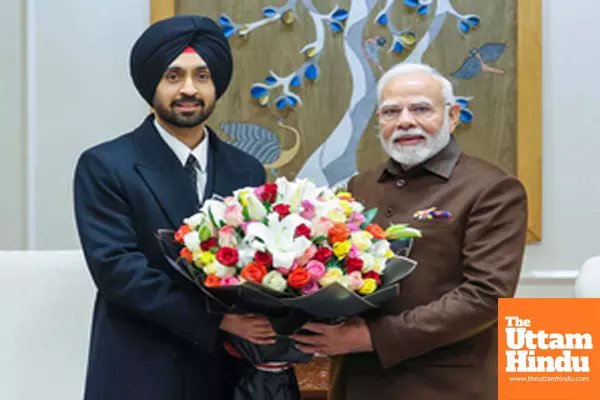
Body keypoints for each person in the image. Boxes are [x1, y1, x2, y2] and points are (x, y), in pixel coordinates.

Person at [292, 63, 528, 399]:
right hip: (357, 382)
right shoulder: (361, 185)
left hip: (445, 385)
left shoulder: (492, 188)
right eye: (391, 112)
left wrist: (374, 337)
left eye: (421, 108)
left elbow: (487, 296)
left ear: (453, 115)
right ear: (380, 122)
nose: (405, 121)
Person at [73, 15, 277, 400]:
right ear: (152, 84)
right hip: (141, 366)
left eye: (202, 76)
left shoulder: (246, 168)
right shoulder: (105, 164)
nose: (189, 89)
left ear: (216, 84)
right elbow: (118, 270)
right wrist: (219, 320)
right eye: (173, 76)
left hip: (227, 370)